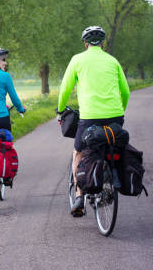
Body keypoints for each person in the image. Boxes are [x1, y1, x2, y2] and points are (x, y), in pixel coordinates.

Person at [56, 26, 129, 216]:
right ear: (103, 43)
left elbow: (65, 90)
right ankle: (112, 176)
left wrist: (61, 109)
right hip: (115, 115)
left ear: (85, 43)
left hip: (90, 118)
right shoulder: (113, 61)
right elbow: (126, 92)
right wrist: (120, 111)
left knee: (79, 152)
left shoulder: (77, 60)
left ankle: (79, 196)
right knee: (113, 143)